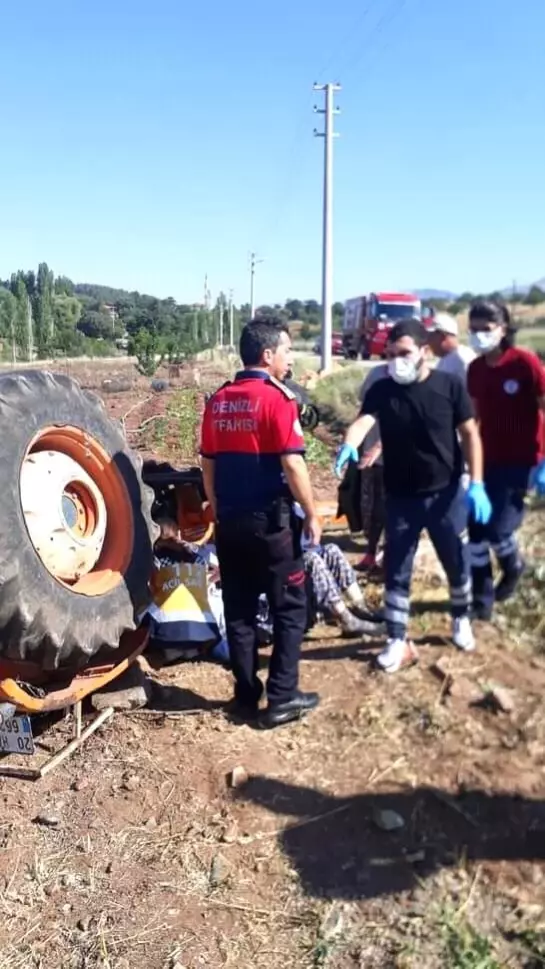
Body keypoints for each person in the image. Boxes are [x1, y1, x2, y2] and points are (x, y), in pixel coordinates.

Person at [335, 318, 491, 673]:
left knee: (456, 562)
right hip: (401, 496)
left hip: (445, 495)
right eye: (390, 354)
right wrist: (349, 444)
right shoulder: (383, 388)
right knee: (397, 569)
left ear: (424, 351)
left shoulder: (448, 386)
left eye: (403, 353)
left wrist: (477, 482)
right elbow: (364, 421)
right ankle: (395, 637)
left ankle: (461, 618)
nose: (396, 361)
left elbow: (469, 434)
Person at [200, 317, 321, 729]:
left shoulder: (219, 400)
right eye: (287, 351)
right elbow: (292, 463)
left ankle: (247, 695)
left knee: (239, 610)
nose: (290, 359)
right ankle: (283, 697)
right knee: (289, 608)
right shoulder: (278, 400)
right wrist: (314, 511)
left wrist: (217, 508)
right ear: (267, 355)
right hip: (273, 526)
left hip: (230, 522)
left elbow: (207, 464)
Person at [467, 300, 545, 619]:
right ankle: (482, 603)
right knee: (476, 532)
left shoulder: (524, 363)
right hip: (487, 460)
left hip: (523, 460)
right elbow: (471, 419)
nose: (478, 336)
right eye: (472, 330)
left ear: (503, 329)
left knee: (500, 530)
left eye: (485, 329)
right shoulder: (475, 369)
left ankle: (513, 567)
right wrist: (465, 465)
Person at [355, 363, 388, 572]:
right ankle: (371, 552)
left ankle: (389, 555)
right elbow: (364, 408)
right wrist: (353, 441)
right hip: (374, 457)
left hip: (404, 458)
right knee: (376, 505)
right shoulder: (376, 374)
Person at [427, 312, 476, 382]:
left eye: (431, 336)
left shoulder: (463, 359)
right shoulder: (445, 359)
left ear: (442, 336)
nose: (428, 341)